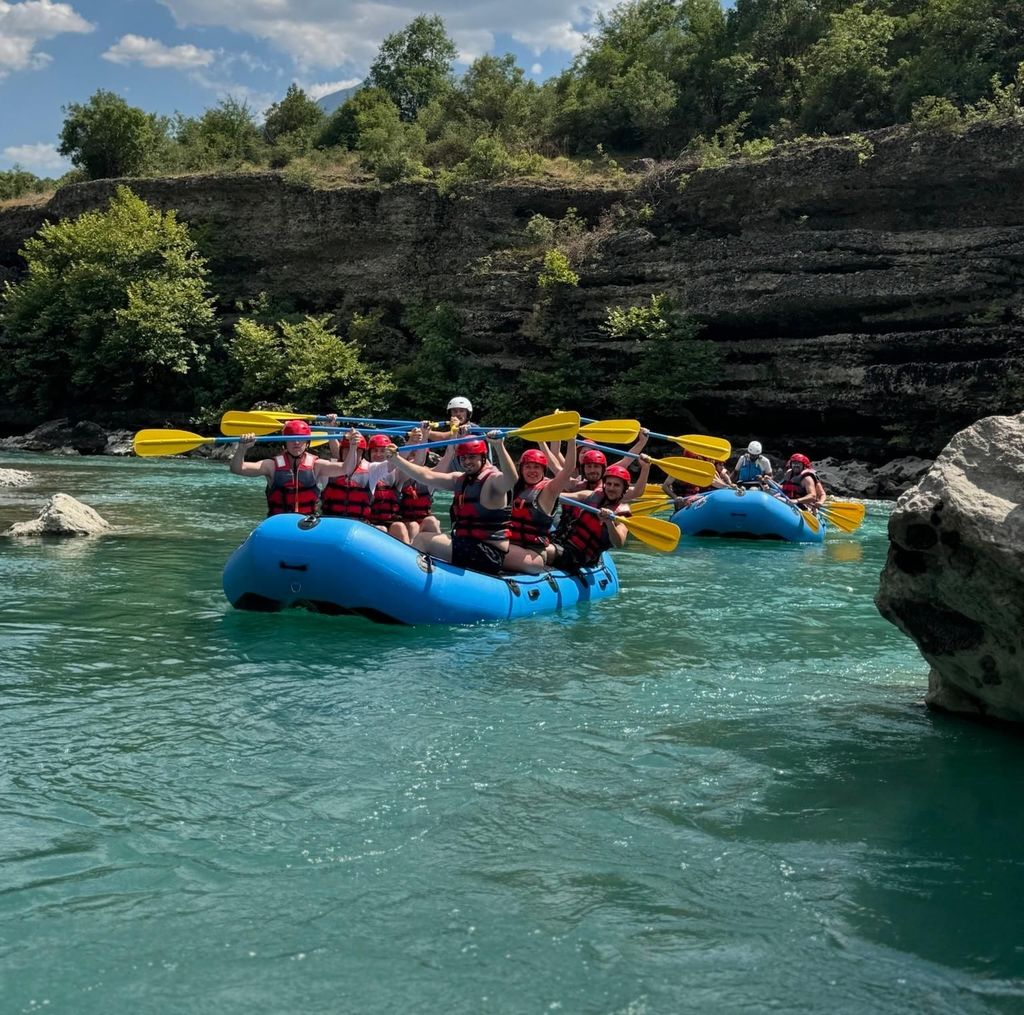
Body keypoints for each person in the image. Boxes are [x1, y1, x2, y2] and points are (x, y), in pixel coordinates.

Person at [386, 432, 516, 576]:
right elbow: (425, 476)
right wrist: (396, 459)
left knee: (423, 539)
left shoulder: (493, 481)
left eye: (472, 457)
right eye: (463, 458)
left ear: (483, 457)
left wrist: (499, 446)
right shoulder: (459, 479)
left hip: (488, 554)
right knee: (430, 533)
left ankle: (406, 578)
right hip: (468, 545)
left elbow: (511, 479)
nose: (467, 462)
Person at [228, 419, 354, 516]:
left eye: (300, 439)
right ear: (285, 442)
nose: (296, 442)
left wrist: (353, 446)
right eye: (292, 439)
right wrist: (242, 449)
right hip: (279, 522)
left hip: (306, 522)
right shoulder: (271, 465)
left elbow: (346, 468)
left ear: (307, 442)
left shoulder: (317, 465)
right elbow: (237, 469)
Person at [503, 440, 578, 573]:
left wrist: (571, 440)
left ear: (543, 470)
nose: (532, 470)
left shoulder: (549, 490)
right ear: (521, 470)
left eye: (536, 467)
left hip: (532, 554)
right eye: (528, 467)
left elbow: (568, 469)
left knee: (490, 550)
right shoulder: (514, 487)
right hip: (512, 545)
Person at [549, 464, 633, 572]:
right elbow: (559, 497)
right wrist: (542, 491)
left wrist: (609, 523)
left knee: (544, 552)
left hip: (580, 556)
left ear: (624, 489)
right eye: (609, 484)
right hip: (562, 542)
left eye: (616, 485)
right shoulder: (593, 496)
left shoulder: (622, 515)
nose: (611, 488)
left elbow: (619, 543)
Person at [365, 433, 413, 543]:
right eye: (375, 450)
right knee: (381, 529)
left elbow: (412, 462)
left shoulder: (396, 473)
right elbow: (341, 455)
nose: (378, 454)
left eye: (382, 451)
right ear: (369, 453)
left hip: (390, 521)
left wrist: (413, 441)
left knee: (399, 526)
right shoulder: (365, 470)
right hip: (369, 522)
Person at [661, 449, 732, 509]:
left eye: (697, 460)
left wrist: (729, 487)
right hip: (683, 501)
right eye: (695, 459)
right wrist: (675, 497)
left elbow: (715, 482)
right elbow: (665, 486)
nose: (697, 462)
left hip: (697, 497)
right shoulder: (678, 469)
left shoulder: (700, 469)